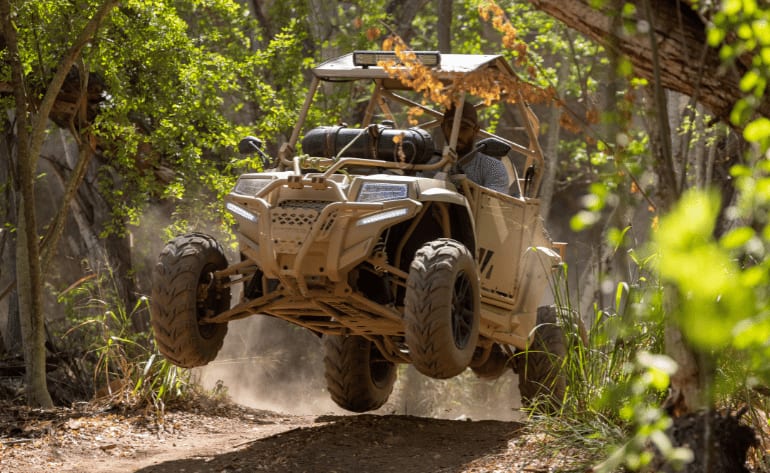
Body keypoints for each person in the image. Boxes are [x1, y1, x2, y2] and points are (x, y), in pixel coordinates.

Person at [441, 101, 510, 194]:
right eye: (451, 127)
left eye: (464, 127)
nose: (456, 134)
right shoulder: (428, 165)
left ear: (476, 130)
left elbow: (493, 204)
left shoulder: (492, 167)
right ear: (443, 127)